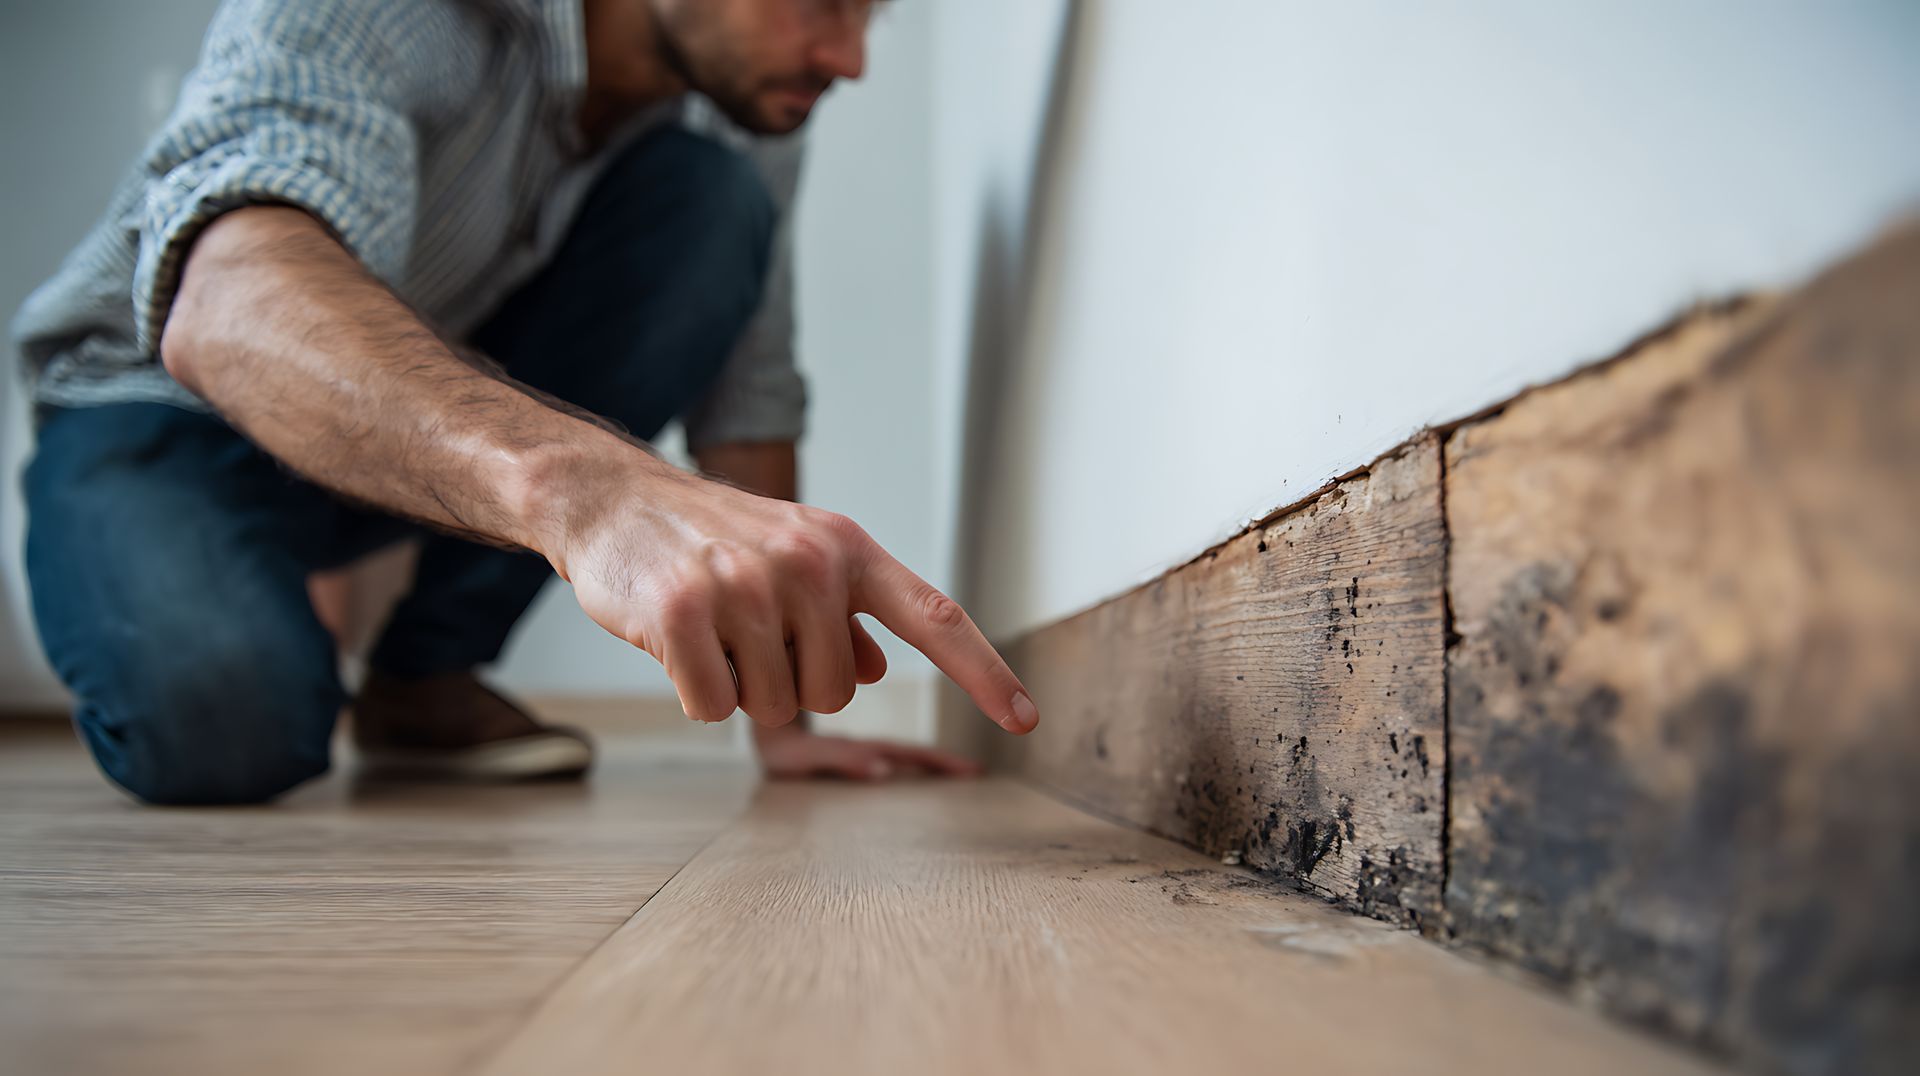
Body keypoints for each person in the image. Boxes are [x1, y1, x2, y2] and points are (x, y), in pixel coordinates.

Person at [11, 0, 1039, 806]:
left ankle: (425, 675)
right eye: (823, 0)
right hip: (154, 415)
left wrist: (787, 723)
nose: (850, 56)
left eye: (874, 12)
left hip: (423, 449)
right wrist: (583, 489)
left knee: (710, 202)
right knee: (222, 723)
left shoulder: (748, 96)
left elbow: (749, 377)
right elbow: (228, 303)